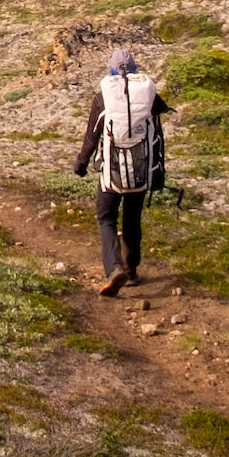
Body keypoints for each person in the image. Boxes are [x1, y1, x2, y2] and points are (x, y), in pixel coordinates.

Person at [72, 49, 170, 297]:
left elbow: (91, 137)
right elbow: (157, 135)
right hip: (141, 171)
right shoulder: (149, 96)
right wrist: (159, 172)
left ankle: (114, 269)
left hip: (111, 174)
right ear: (135, 69)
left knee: (106, 217)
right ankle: (132, 269)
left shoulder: (102, 98)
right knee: (132, 217)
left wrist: (81, 164)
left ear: (111, 70)